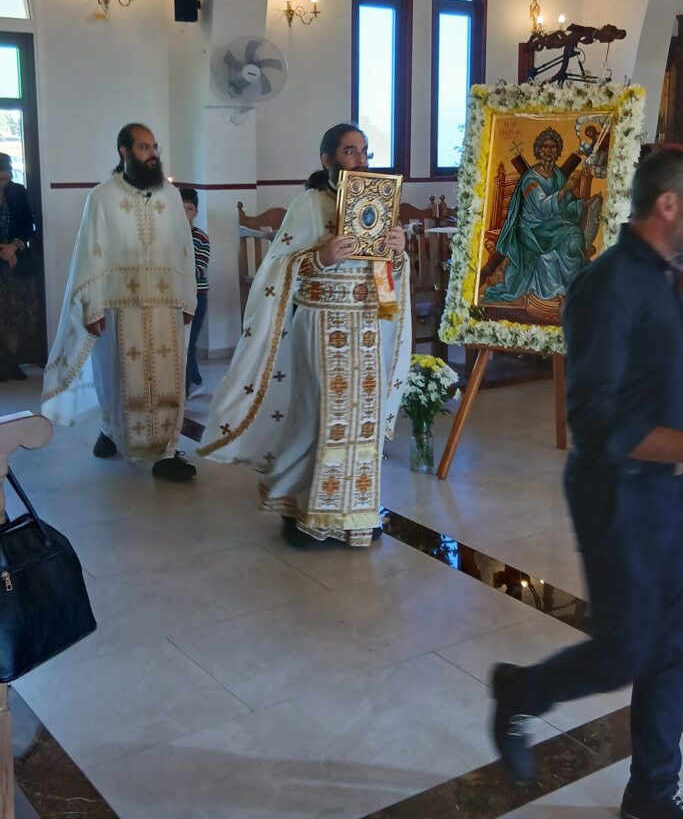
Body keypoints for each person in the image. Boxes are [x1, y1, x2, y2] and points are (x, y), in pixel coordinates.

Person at [490, 149, 683, 819]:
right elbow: (596, 420)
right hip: (618, 494)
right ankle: (520, 692)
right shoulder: (609, 285)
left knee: (673, 648)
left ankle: (652, 795)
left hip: (673, 492)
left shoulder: (667, 277)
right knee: (625, 652)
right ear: (668, 205)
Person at [199, 123, 411, 547]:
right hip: (321, 324)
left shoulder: (379, 203)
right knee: (319, 418)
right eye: (350, 151)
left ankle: (356, 513)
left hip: (367, 327)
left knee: (363, 421)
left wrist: (399, 251)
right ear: (328, 159)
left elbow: (387, 275)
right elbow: (277, 268)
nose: (360, 159)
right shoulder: (308, 205)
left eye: (364, 151)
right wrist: (321, 257)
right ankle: (300, 508)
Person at [42, 123, 198, 481]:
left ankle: (166, 452)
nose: (152, 154)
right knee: (116, 376)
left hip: (165, 304)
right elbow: (90, 253)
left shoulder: (170, 196)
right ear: (124, 152)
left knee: (167, 379)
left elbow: (183, 249)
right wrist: (91, 305)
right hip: (118, 305)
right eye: (143, 147)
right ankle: (110, 430)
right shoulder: (102, 197)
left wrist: (187, 299)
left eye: (154, 147)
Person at [483, 128, 599, 301]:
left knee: (575, 238)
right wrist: (564, 190)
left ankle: (571, 289)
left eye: (553, 147)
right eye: (545, 146)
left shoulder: (559, 175)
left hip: (553, 227)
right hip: (532, 229)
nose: (549, 151)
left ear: (558, 151)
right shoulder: (530, 179)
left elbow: (566, 207)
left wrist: (582, 204)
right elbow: (542, 207)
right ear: (539, 150)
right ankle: (551, 292)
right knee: (552, 252)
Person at [0, 152, 37, 380]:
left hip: (16, 264)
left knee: (14, 316)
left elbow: (30, 225)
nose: (3, 183)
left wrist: (13, 246)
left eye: (5, 179)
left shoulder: (17, 191)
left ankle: (11, 363)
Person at [179, 188, 211, 398]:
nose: (185, 213)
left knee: (188, 343)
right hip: (173, 296)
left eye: (189, 209)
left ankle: (184, 391)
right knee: (178, 342)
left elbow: (199, 267)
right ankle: (195, 378)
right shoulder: (167, 236)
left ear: (196, 213)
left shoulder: (200, 237)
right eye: (180, 208)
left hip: (196, 296)